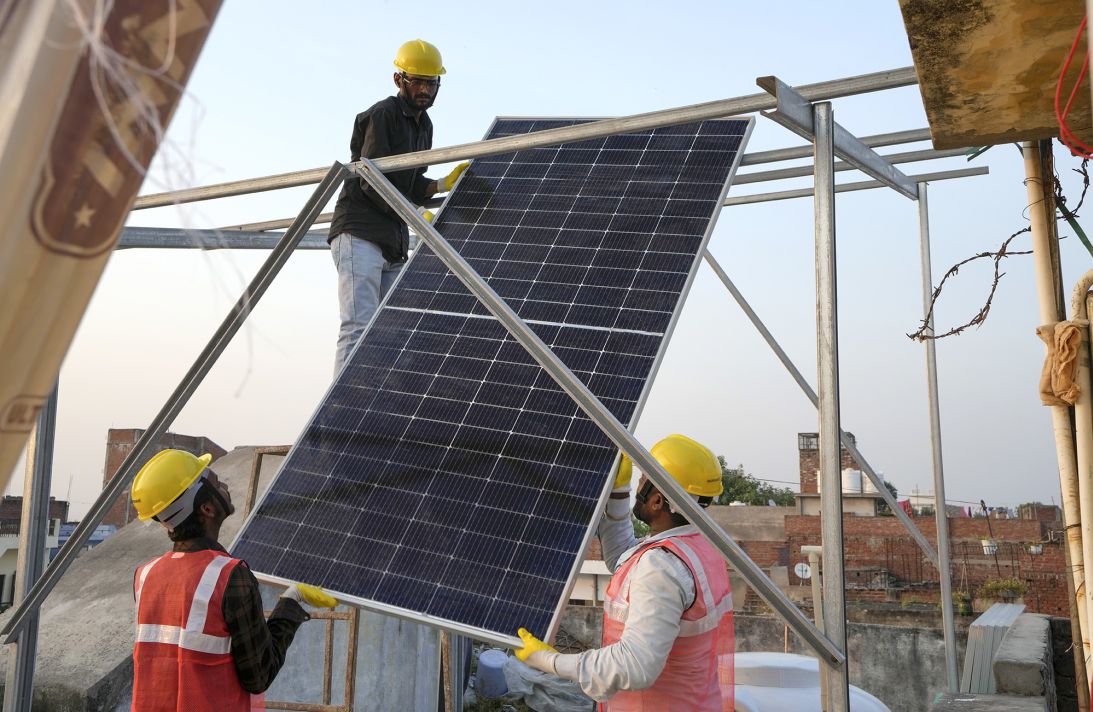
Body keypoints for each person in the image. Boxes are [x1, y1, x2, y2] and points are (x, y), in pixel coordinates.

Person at [515, 434, 735, 711]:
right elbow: (625, 559)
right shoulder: (698, 546)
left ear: (656, 502)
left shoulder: (662, 567)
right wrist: (619, 494)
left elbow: (635, 665)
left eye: (643, 481)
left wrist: (550, 661)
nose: (638, 483)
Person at [129, 449, 338, 711]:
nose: (225, 486)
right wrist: (291, 601)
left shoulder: (145, 576)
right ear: (206, 507)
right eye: (215, 482)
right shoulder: (229, 576)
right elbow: (259, 675)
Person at [328, 38, 470, 371]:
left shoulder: (425, 126)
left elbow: (409, 184)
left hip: (392, 240)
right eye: (417, 80)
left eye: (431, 82)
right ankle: (339, 414)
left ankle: (369, 406)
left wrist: (442, 184)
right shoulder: (383, 115)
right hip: (360, 232)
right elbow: (373, 178)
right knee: (358, 326)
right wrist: (417, 214)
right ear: (399, 80)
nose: (424, 88)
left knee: (392, 332)